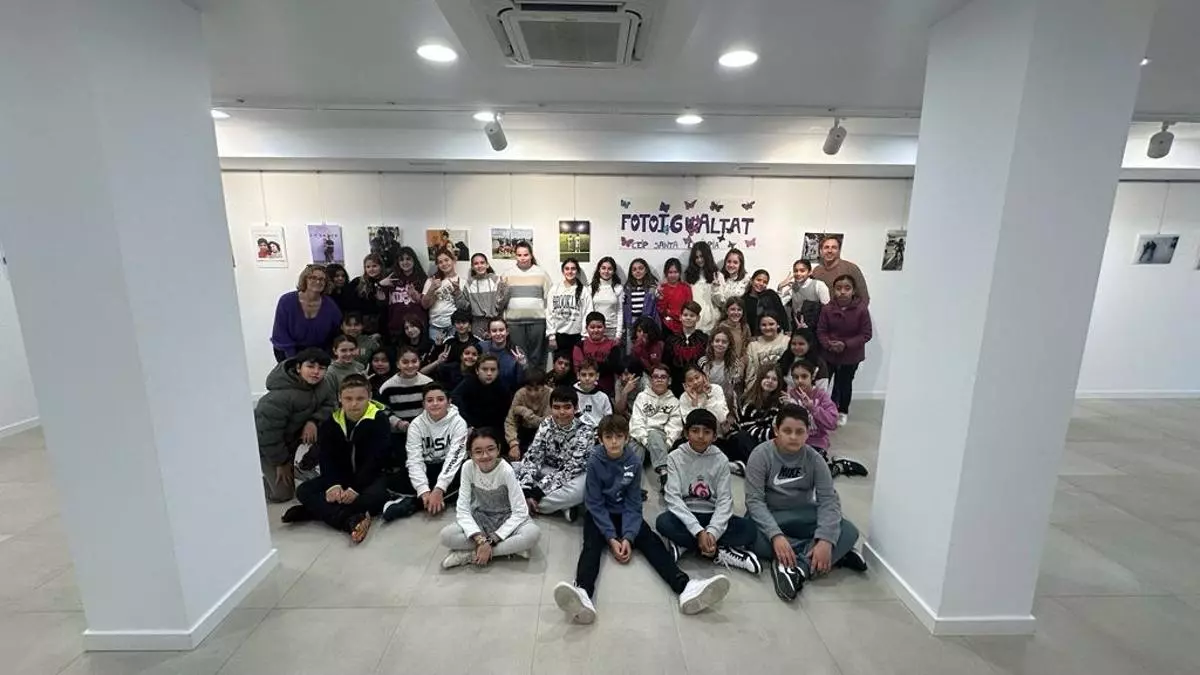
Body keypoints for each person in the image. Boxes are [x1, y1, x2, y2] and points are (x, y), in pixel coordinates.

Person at [552, 414, 731, 624]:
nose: (614, 442)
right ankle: (583, 592)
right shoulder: (594, 461)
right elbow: (594, 503)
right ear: (600, 440)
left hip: (625, 512)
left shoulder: (633, 462)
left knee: (651, 540)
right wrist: (611, 538)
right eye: (608, 437)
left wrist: (628, 537)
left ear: (627, 438)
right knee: (591, 545)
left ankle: (685, 587)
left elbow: (633, 503)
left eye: (619, 437)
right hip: (599, 513)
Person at [745, 405, 867, 602]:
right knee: (749, 536)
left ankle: (797, 569)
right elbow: (754, 501)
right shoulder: (760, 455)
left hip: (802, 515)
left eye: (799, 432)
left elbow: (829, 500)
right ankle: (833, 555)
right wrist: (776, 536)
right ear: (776, 430)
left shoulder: (815, 459)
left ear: (808, 433)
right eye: (787, 431)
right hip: (770, 517)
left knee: (849, 530)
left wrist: (825, 540)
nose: (793, 437)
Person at [284, 375, 389, 544]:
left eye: (360, 399)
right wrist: (333, 485)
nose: (354, 404)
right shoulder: (331, 423)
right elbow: (326, 458)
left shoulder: (379, 420)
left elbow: (376, 460)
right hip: (342, 477)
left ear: (369, 397)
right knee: (303, 490)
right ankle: (348, 520)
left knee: (374, 499)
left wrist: (355, 489)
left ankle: (315, 511)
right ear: (340, 398)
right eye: (348, 399)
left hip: (369, 478)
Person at [656, 409, 761, 573]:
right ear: (686, 433)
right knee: (663, 522)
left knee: (749, 529)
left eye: (706, 432)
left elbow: (725, 501)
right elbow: (673, 498)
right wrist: (698, 531)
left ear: (714, 436)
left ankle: (686, 545)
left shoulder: (721, 459)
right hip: (687, 514)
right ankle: (719, 551)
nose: (700, 436)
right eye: (695, 431)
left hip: (711, 513)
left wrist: (713, 532)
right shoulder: (674, 457)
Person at [440, 428, 542, 568]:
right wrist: (480, 539)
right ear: (470, 454)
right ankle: (509, 549)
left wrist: (492, 540)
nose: (485, 456)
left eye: (490, 449)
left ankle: (471, 555)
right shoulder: (467, 468)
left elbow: (520, 511)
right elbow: (463, 510)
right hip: (480, 517)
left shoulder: (506, 470)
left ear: (498, 449)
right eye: (478, 451)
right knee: (446, 536)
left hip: (507, 518)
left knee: (532, 534)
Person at [254, 348, 336, 502]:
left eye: (321, 368)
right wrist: (281, 463)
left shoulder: (323, 385)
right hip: (270, 447)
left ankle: (303, 467)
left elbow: (330, 405)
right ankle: (256, 481)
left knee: (332, 431)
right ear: (298, 368)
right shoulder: (277, 398)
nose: (316, 372)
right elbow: (268, 436)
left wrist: (313, 421)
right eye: (310, 366)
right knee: (283, 495)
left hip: (295, 440)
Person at [381, 382, 469, 521]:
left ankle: (413, 503)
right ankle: (431, 499)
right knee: (391, 482)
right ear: (423, 404)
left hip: (450, 468)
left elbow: (454, 458)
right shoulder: (416, 425)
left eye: (440, 399)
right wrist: (424, 491)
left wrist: (439, 489)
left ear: (449, 402)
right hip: (427, 468)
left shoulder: (459, 423)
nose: (435, 403)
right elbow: (414, 460)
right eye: (430, 400)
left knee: (467, 474)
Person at [515, 386, 595, 519]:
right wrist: (527, 489)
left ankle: (523, 502)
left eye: (567, 407)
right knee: (514, 469)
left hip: (573, 475)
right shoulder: (546, 423)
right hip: (547, 469)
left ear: (576, 408)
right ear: (551, 408)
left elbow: (571, 469)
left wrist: (537, 492)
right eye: (556, 407)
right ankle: (560, 506)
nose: (561, 412)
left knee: (583, 487)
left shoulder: (586, 429)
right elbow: (533, 456)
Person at [786, 361, 869, 478]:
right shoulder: (790, 396)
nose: (799, 381)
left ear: (812, 376)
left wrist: (813, 408)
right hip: (795, 441)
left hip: (816, 441)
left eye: (804, 376)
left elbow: (832, 423)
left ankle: (839, 466)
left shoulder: (821, 396)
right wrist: (786, 409)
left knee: (815, 474)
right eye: (796, 377)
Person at [818, 274, 873, 426]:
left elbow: (866, 334)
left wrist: (845, 344)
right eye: (838, 288)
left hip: (851, 354)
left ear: (853, 291)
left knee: (844, 383)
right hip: (829, 353)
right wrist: (828, 344)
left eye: (847, 288)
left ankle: (842, 411)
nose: (842, 292)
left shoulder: (861, 309)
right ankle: (821, 409)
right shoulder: (827, 308)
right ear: (833, 290)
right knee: (823, 382)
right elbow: (821, 330)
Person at [722, 363, 785, 475]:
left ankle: (743, 466)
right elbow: (750, 430)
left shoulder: (780, 403)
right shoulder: (748, 400)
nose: (770, 381)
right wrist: (773, 433)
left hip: (765, 442)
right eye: (766, 377)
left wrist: (789, 405)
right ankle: (761, 468)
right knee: (742, 437)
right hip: (744, 440)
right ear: (760, 379)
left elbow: (780, 428)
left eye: (774, 379)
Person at [271, 265, 343, 362]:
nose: (318, 282)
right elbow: (281, 334)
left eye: (322, 279)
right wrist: (293, 361)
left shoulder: (330, 305)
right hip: (287, 351)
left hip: (319, 353)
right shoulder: (287, 301)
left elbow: (337, 332)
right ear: (304, 279)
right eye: (313, 278)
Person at [629, 363, 683, 489]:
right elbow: (637, 422)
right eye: (655, 377)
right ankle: (634, 487)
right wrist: (646, 442)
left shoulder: (674, 402)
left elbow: (675, 427)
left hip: (662, 438)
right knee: (634, 448)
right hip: (641, 438)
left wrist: (667, 444)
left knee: (654, 433)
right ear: (651, 380)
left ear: (669, 381)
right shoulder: (642, 397)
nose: (659, 380)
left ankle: (664, 475)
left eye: (663, 377)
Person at [378, 346, 434, 464]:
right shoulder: (387, 387)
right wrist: (398, 423)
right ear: (398, 364)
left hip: (425, 433)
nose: (410, 365)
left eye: (414, 361)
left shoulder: (428, 383)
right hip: (399, 435)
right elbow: (382, 410)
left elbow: (434, 407)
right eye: (405, 362)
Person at [502, 241, 552, 371]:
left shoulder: (542, 273)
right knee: (518, 355)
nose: (522, 258)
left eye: (525, 254)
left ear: (531, 255)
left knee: (536, 355)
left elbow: (549, 299)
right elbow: (501, 300)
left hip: (537, 321)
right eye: (519, 255)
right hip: (514, 322)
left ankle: (535, 380)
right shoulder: (507, 274)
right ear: (515, 256)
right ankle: (521, 381)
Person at [452, 354, 513, 432]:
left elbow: (506, 414)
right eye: (485, 369)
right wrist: (468, 424)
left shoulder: (503, 388)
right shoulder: (468, 383)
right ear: (477, 370)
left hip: (494, 429)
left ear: (498, 371)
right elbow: (455, 399)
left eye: (493, 370)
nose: (489, 373)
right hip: (470, 427)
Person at [381, 246, 429, 344]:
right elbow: (381, 303)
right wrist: (380, 285)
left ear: (414, 260)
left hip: (417, 328)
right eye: (401, 259)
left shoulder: (423, 279)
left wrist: (417, 296)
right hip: (396, 327)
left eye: (408, 259)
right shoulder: (391, 278)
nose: (405, 262)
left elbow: (427, 305)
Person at [547, 258, 591, 361]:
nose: (570, 271)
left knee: (576, 365)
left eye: (573, 269)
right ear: (563, 271)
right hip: (559, 336)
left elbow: (587, 313)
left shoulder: (584, 291)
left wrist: (584, 336)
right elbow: (549, 313)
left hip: (577, 336)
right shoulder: (555, 289)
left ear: (577, 271)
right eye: (567, 269)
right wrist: (551, 336)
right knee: (560, 366)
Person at [421, 248, 468, 343]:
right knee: (437, 351)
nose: (444, 264)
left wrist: (457, 292)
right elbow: (425, 305)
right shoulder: (432, 280)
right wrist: (432, 289)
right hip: (435, 326)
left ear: (453, 260)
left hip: (455, 326)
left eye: (446, 260)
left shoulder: (463, 282)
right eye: (440, 262)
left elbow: (464, 307)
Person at [504, 367, 550, 460]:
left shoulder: (550, 394)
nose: (533, 394)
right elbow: (510, 421)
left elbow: (546, 422)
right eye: (529, 389)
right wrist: (513, 444)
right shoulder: (520, 394)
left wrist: (525, 413)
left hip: (543, 434)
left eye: (537, 389)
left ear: (543, 386)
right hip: (523, 432)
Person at [665, 301, 709, 395]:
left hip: (698, 384)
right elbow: (666, 363)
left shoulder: (704, 339)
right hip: (677, 384)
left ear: (698, 318)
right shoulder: (671, 339)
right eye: (685, 315)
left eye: (692, 315)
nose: (688, 318)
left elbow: (707, 362)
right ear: (680, 317)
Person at [572, 312, 621, 396]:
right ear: (586, 328)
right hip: (584, 391)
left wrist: (590, 365)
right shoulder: (579, 346)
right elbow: (579, 369)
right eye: (592, 327)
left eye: (599, 327)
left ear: (604, 327)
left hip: (607, 391)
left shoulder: (613, 345)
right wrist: (603, 366)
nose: (596, 330)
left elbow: (614, 367)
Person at [811, 235, 870, 304]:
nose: (830, 251)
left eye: (834, 247)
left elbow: (864, 297)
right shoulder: (816, 271)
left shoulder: (851, 268)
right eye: (826, 247)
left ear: (839, 251)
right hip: (823, 310)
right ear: (821, 251)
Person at [678, 366, 732, 440]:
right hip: (697, 440)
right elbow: (692, 425)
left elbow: (721, 418)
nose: (695, 382)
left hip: (719, 436)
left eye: (697, 377)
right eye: (690, 380)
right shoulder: (684, 397)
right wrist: (694, 402)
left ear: (704, 376)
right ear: (685, 384)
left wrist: (708, 396)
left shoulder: (716, 389)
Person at [700, 326, 744, 413]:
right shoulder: (703, 362)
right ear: (712, 343)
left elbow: (732, 390)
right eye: (717, 341)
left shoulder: (734, 363)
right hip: (706, 398)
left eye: (724, 342)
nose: (720, 344)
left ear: (729, 345)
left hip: (726, 400)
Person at [778, 259, 830, 331]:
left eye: (802, 271)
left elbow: (827, 309)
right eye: (795, 271)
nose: (798, 273)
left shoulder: (818, 285)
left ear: (810, 272)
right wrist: (780, 287)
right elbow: (779, 304)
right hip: (797, 326)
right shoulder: (793, 287)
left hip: (815, 327)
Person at [744, 314, 790, 393]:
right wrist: (750, 392)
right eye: (764, 325)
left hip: (785, 388)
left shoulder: (787, 341)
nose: (768, 328)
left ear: (778, 325)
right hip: (762, 389)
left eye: (771, 324)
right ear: (759, 327)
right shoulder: (753, 346)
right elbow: (750, 373)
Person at [430, 309, 481, 381]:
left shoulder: (477, 342)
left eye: (464, 322)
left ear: (469, 324)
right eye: (458, 322)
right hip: (450, 378)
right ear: (454, 325)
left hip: (471, 377)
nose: (461, 325)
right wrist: (438, 346)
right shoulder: (449, 341)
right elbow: (436, 361)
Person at [479, 317, 528, 391]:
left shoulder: (516, 352)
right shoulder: (481, 347)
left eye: (501, 330)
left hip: (508, 393)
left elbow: (521, 382)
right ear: (489, 333)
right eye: (494, 331)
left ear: (507, 331)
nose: (498, 333)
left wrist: (522, 366)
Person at [464, 253, 506, 337]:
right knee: (479, 345)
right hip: (477, 323)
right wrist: (457, 293)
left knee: (495, 344)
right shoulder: (469, 283)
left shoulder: (496, 280)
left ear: (487, 265)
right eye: (476, 263)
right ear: (472, 267)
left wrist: (504, 287)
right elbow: (465, 306)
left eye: (482, 262)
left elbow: (502, 302)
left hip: (495, 322)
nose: (479, 266)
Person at [347, 253, 389, 335]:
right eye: (368, 267)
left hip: (383, 324)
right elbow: (351, 305)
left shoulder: (387, 282)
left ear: (381, 266)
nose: (371, 269)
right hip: (363, 325)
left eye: (374, 266)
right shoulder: (357, 282)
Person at [622, 258, 658, 349]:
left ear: (646, 270)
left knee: (647, 350)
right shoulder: (627, 289)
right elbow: (625, 309)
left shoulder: (652, 288)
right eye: (634, 269)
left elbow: (655, 309)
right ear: (631, 273)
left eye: (640, 268)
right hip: (631, 323)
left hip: (647, 324)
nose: (637, 271)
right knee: (631, 350)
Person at [684, 242, 720, 333]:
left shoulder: (717, 275)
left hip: (712, 321)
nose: (699, 260)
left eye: (702, 256)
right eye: (696, 257)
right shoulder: (689, 276)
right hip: (693, 321)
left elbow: (721, 303)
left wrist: (715, 289)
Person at [743, 270, 788, 337]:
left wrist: (787, 331)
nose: (761, 283)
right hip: (754, 337)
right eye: (758, 280)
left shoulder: (771, 295)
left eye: (765, 282)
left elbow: (782, 314)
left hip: (774, 335)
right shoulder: (744, 300)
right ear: (752, 280)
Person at [589, 256, 624, 342]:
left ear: (614, 271)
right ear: (599, 270)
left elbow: (620, 311)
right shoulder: (591, 288)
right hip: (595, 330)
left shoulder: (618, 288)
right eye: (603, 268)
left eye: (610, 269)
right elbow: (588, 311)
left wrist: (618, 334)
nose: (606, 271)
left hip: (612, 330)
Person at [573, 359, 613, 428]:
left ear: (597, 376)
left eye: (591, 375)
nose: (587, 378)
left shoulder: (603, 397)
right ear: (578, 375)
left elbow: (608, 420)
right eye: (583, 375)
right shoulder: (571, 394)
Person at [657, 258, 691, 336]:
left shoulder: (686, 288)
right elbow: (661, 311)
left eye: (676, 272)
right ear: (666, 273)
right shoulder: (662, 288)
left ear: (680, 273)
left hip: (684, 325)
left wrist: (672, 313)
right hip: (666, 327)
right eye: (670, 272)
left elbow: (689, 308)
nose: (673, 275)